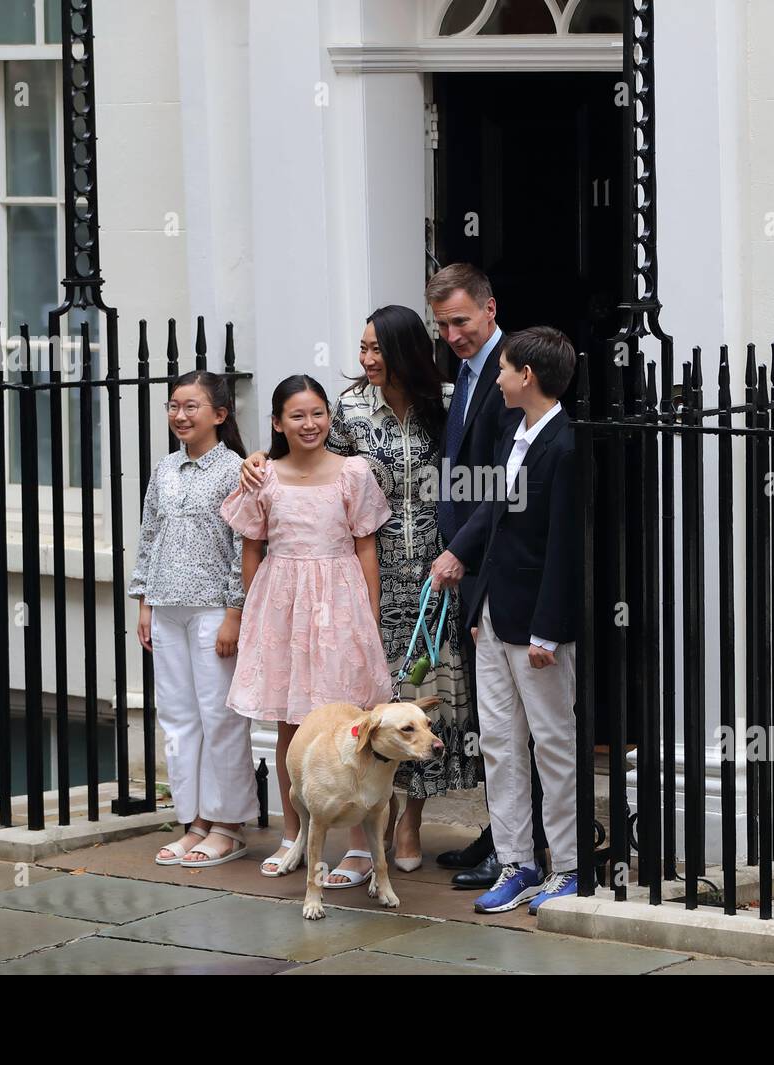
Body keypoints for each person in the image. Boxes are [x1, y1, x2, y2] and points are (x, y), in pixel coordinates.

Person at [239, 306, 478, 885]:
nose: (367, 359)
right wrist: (257, 459)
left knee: (417, 702)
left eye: (376, 349)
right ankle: (340, 829)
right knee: (355, 707)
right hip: (363, 577)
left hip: (435, 572)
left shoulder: (445, 403)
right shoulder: (346, 409)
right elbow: (308, 459)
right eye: (362, 348)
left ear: (403, 352)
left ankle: (407, 824)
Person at [221, 374, 395, 883]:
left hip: (340, 604)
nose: (310, 423)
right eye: (297, 415)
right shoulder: (263, 477)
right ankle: (293, 837)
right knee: (290, 727)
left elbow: (366, 546)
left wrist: (368, 614)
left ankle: (360, 846)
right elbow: (252, 548)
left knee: (353, 725)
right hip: (283, 607)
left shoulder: (352, 473)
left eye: (318, 413)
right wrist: (258, 613)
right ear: (277, 423)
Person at [431, 326, 580, 915]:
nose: (496, 378)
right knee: (499, 741)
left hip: (538, 626)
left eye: (505, 370)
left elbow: (566, 547)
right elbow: (494, 517)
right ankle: (517, 860)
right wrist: (474, 593)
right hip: (492, 615)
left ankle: (567, 866)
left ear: (529, 378)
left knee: (553, 744)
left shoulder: (566, 445)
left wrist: (549, 629)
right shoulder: (513, 433)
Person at [425, 263, 548, 890]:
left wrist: (461, 550)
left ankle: (525, 846)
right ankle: (503, 834)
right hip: (471, 565)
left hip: (495, 564)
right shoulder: (466, 371)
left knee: (518, 721)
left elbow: (502, 484)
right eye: (442, 324)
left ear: (491, 309)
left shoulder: (513, 373)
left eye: (462, 322)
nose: (451, 335)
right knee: (491, 721)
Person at [130, 370, 259, 868]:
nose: (180, 416)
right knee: (179, 718)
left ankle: (229, 824)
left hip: (212, 610)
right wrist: (144, 601)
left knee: (220, 717)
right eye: (173, 406)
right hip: (166, 608)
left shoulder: (236, 470)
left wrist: (233, 614)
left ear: (220, 415)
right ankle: (195, 821)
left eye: (192, 407)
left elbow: (242, 548)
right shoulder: (164, 469)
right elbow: (150, 534)